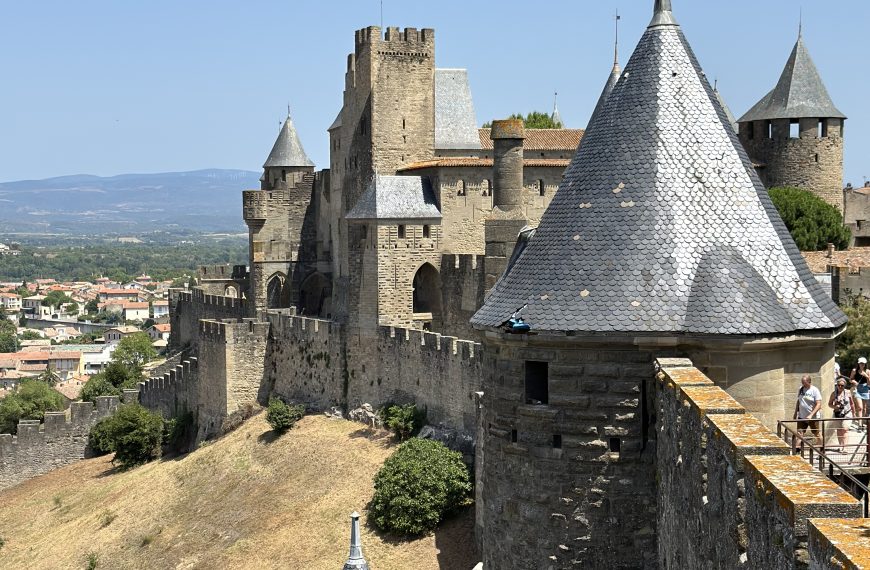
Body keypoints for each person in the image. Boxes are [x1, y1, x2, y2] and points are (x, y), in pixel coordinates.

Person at [792, 374, 822, 451]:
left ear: (809, 381)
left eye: (804, 382)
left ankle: (822, 449)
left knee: (817, 434)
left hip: (813, 417)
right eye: (802, 382)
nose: (803, 384)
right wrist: (795, 413)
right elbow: (799, 401)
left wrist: (811, 415)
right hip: (802, 416)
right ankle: (796, 450)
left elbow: (819, 404)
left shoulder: (814, 390)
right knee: (800, 433)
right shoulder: (801, 389)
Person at [828, 378, 858, 453]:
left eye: (842, 385)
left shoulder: (848, 392)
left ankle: (845, 447)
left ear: (844, 386)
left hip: (847, 413)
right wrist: (835, 406)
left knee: (845, 429)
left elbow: (851, 403)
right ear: (836, 385)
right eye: (839, 385)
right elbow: (829, 404)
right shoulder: (833, 393)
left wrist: (854, 413)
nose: (840, 387)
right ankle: (840, 446)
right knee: (839, 430)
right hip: (837, 414)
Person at [849, 357, 870, 430]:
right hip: (857, 389)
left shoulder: (867, 371)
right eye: (861, 363)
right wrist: (853, 381)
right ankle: (860, 425)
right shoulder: (854, 370)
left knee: (864, 408)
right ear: (858, 363)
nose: (862, 365)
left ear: (865, 364)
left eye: (863, 363)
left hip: (865, 389)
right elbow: (850, 379)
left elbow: (869, 383)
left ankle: (862, 422)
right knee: (860, 407)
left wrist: (867, 377)